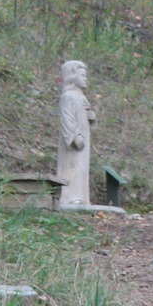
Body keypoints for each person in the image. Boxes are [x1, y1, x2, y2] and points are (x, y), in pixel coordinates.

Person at [57, 59, 96, 207]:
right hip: (74, 143)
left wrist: (92, 118)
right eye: (82, 75)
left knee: (81, 169)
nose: (85, 79)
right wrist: (74, 136)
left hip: (84, 141)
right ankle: (70, 197)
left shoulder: (81, 97)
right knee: (73, 167)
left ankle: (81, 197)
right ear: (72, 77)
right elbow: (67, 118)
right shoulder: (67, 97)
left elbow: (84, 116)